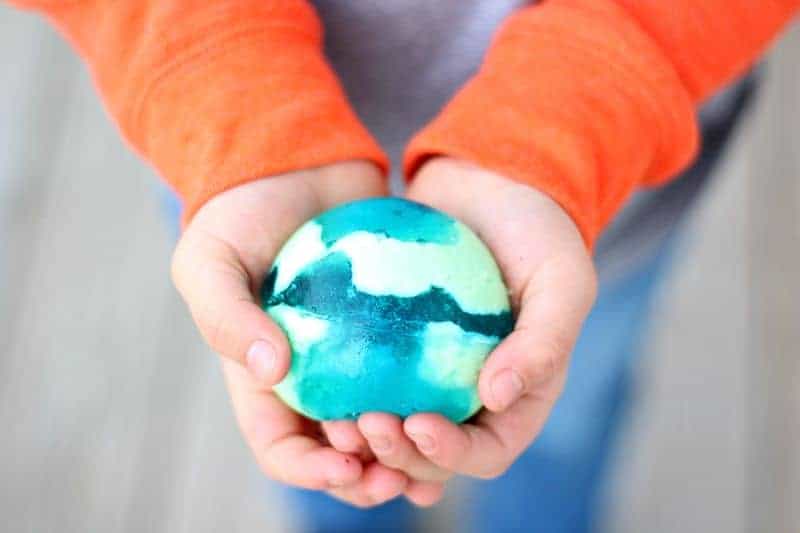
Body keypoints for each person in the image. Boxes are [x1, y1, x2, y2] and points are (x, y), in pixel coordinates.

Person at [9, 1, 798, 531]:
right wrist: (237, 102)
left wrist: (565, 120)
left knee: (556, 416)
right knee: (328, 455)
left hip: (590, 202)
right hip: (240, 176)